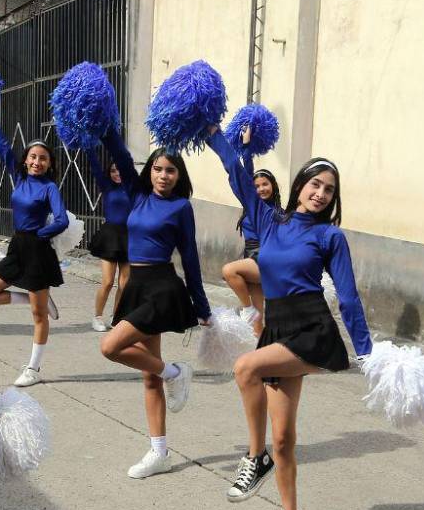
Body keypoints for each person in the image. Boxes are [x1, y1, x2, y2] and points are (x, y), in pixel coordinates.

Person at [207, 127, 371, 510]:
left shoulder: (330, 237)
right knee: (283, 438)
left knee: (245, 367)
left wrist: (367, 352)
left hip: (312, 328)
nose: (321, 194)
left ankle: (254, 456)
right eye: (316, 184)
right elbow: (236, 174)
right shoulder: (269, 221)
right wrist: (215, 133)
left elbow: (348, 297)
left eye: (329, 190)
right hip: (278, 327)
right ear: (299, 186)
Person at [98, 125, 210, 479]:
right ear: (150, 171)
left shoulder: (180, 207)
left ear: (179, 175)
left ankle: (176, 372)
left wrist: (202, 306)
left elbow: (189, 256)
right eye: (158, 169)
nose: (163, 175)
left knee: (110, 346)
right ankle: (159, 452)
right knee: (150, 376)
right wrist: (105, 124)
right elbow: (119, 153)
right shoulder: (137, 194)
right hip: (136, 285)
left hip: (162, 286)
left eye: (171, 170)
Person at [0, 101, 67, 386]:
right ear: (25, 160)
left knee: (39, 316)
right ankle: (31, 298)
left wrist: (41, 234)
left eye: (43, 159)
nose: (37, 162)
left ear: (49, 164)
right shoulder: (19, 177)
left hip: (38, 249)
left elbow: (61, 219)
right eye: (33, 157)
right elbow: (2, 146)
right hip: (16, 247)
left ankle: (33, 370)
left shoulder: (49, 187)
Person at [221, 160, 281, 335]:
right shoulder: (250, 206)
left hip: (264, 260)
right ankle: (260, 345)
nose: (261, 189)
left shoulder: (276, 212)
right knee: (257, 322)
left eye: (265, 184)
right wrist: (247, 152)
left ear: (273, 186)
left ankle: (247, 309)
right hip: (250, 257)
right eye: (257, 186)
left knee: (229, 271)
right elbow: (243, 177)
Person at [84, 147, 131, 332]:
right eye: (113, 170)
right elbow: (95, 165)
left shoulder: (133, 187)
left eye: (120, 169)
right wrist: (87, 145)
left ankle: (116, 316)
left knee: (125, 284)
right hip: (110, 237)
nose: (117, 173)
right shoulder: (107, 186)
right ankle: (97, 317)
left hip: (129, 237)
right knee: (108, 281)